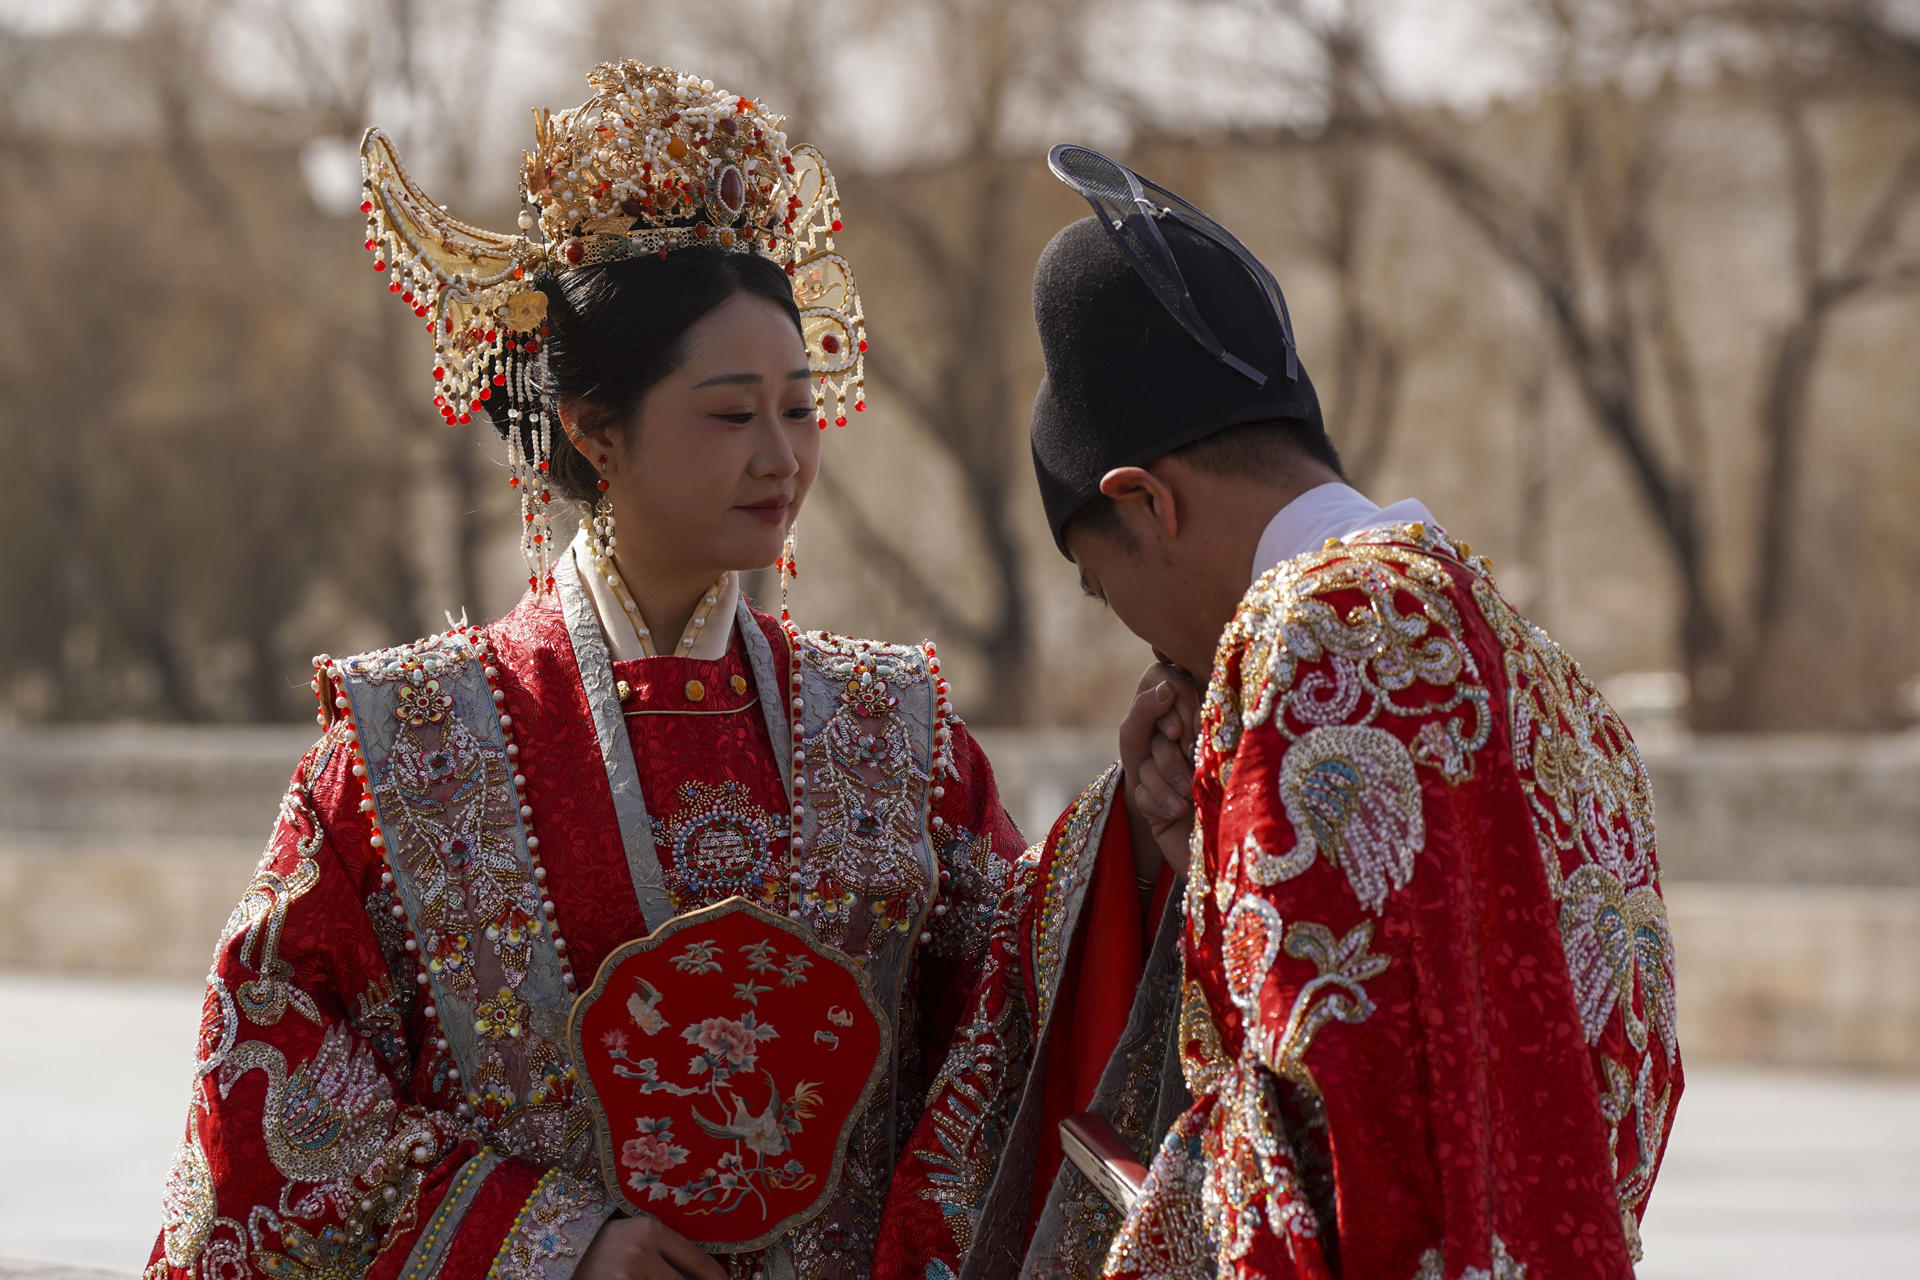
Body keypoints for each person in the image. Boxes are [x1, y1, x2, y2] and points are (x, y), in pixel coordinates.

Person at [145, 64, 1146, 1280]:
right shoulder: (408, 746)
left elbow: (1012, 1014)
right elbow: (275, 1096)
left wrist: (1134, 821)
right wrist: (554, 1241)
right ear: (592, 428)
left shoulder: (893, 729)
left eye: (801, 407)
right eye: (732, 416)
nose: (783, 457)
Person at [1019, 147, 1683, 1279]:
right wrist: (1205, 851)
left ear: (1144, 500)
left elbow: (1316, 1155)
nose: (1133, 633)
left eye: (1102, 581)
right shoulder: (1543, 666)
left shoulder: (1315, 628)